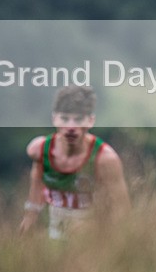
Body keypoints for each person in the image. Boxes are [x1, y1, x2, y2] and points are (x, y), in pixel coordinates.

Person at [19, 85, 131, 239]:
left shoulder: (105, 159)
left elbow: (122, 211)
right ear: (54, 119)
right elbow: (37, 183)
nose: (71, 127)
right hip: (52, 238)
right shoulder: (39, 150)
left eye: (78, 119)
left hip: (92, 242)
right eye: (65, 119)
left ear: (90, 121)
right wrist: (30, 216)